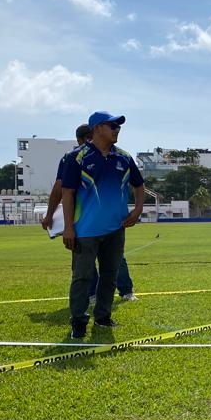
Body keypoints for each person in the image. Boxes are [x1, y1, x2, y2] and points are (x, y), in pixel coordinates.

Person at [60, 112, 145, 339]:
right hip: (85, 230)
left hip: (116, 229)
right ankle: (78, 322)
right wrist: (68, 227)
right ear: (97, 128)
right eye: (113, 126)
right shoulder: (77, 157)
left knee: (110, 275)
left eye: (119, 126)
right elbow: (66, 192)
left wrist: (137, 210)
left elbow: (139, 185)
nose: (117, 129)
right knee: (82, 277)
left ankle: (103, 317)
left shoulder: (124, 158)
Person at [43, 124, 136, 302]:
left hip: (82, 218)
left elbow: (59, 188)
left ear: (80, 138)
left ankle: (92, 293)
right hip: (107, 215)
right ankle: (125, 291)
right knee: (114, 256)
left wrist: (49, 215)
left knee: (84, 255)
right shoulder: (111, 154)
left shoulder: (72, 157)